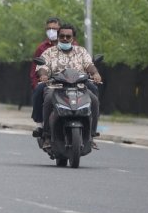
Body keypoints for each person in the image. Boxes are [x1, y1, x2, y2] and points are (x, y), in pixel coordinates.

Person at [35, 23, 102, 151]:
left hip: (80, 85)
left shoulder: (81, 51)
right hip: (56, 85)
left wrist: (95, 73)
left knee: (93, 99)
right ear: (58, 37)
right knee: (49, 99)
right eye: (62, 36)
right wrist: (43, 75)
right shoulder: (49, 52)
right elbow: (42, 67)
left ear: (73, 38)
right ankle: (47, 135)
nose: (65, 39)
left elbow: (89, 64)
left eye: (68, 36)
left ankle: (91, 135)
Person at [30, 16, 65, 125]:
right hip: (50, 82)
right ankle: (40, 124)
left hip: (71, 81)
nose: (51, 31)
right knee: (39, 92)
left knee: (92, 91)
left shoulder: (74, 46)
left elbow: (84, 62)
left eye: (54, 29)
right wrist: (37, 83)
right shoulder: (42, 48)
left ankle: (90, 129)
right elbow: (36, 68)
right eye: (49, 29)